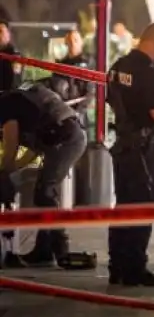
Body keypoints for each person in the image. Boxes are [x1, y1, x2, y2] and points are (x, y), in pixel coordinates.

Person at [105, 23, 154, 286]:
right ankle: (135, 268)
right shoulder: (151, 74)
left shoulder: (117, 67)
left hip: (123, 147)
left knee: (123, 206)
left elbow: (112, 100)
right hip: (144, 150)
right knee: (145, 207)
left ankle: (117, 265)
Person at [0, 82, 87, 268]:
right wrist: (10, 171)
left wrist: (4, 174)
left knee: (45, 192)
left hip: (66, 139)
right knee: (42, 191)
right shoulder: (19, 100)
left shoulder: (5, 106)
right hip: (65, 136)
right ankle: (44, 250)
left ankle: (60, 248)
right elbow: (31, 151)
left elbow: (12, 145)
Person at [55, 29, 93, 205]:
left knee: (81, 159)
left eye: (76, 40)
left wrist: (79, 110)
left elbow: (90, 92)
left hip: (80, 116)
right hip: (64, 116)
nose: (73, 43)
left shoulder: (86, 64)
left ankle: (81, 198)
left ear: (81, 43)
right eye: (70, 40)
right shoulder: (60, 65)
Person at [0, 20, 22, 92]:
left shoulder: (14, 54)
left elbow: (14, 80)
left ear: (8, 34)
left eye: (0, 31)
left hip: (7, 96)